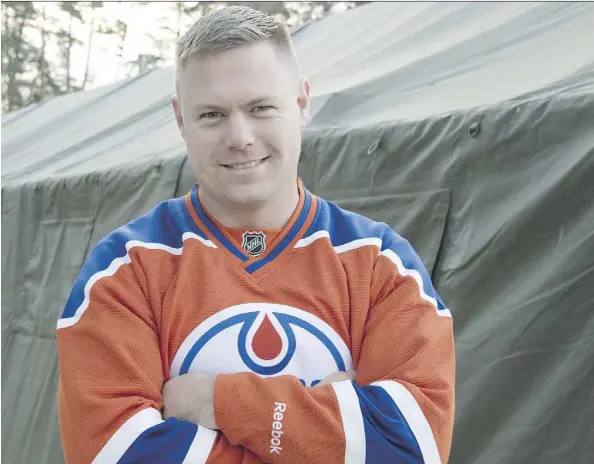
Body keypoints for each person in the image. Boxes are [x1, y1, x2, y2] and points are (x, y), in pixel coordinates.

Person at [56, 6, 455, 464]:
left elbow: (413, 448)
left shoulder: (381, 264)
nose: (240, 136)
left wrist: (215, 402)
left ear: (302, 105)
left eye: (261, 107)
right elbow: (114, 453)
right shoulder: (125, 271)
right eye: (211, 115)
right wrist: (331, 422)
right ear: (180, 121)